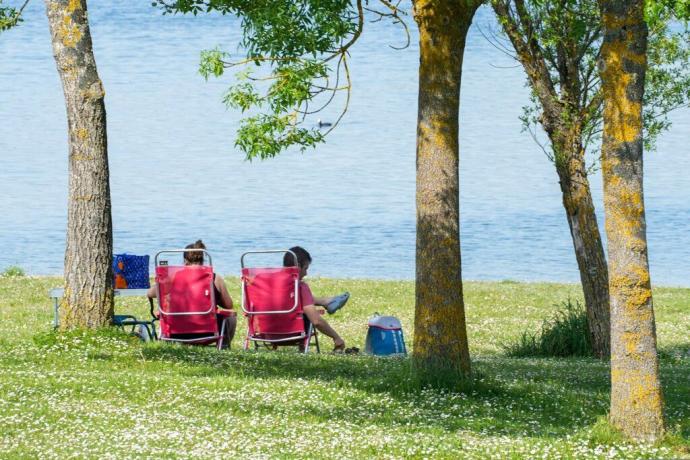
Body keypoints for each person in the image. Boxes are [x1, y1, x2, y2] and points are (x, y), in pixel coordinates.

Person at [147, 240, 237, 348]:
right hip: (208, 333)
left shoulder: (173, 277)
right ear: (203, 260)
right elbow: (228, 305)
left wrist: (162, 281)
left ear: (185, 261)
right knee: (231, 316)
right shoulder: (214, 278)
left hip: (176, 332)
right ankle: (224, 346)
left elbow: (150, 293)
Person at [284, 246, 350, 352]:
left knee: (297, 298)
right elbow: (316, 321)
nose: (306, 274)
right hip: (293, 333)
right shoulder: (300, 286)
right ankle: (326, 301)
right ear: (298, 267)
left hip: (264, 332)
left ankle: (325, 301)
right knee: (306, 312)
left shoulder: (265, 284)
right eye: (305, 269)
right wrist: (336, 338)